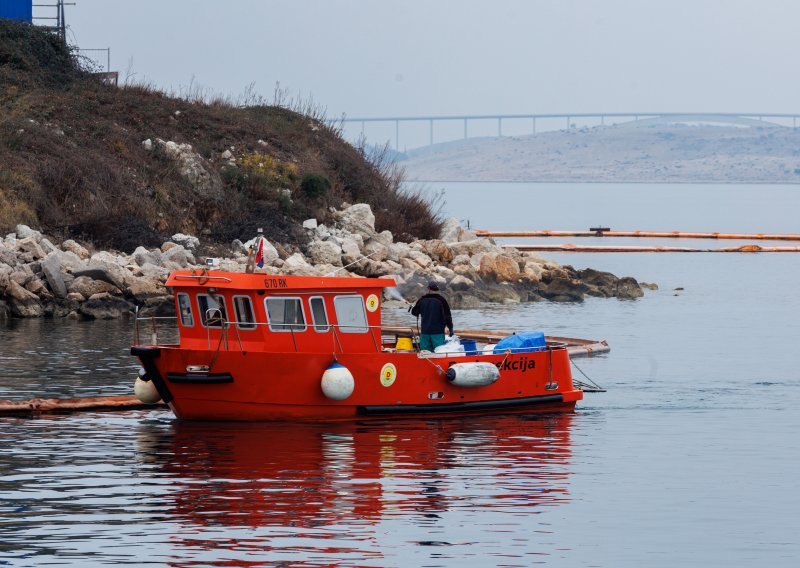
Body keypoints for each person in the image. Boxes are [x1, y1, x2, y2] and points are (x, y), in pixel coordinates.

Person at [411, 281, 454, 352]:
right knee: (439, 353)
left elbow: (414, 312)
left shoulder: (422, 300)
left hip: (425, 333)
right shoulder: (441, 300)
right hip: (437, 333)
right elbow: (447, 316)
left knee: (425, 354)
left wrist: (416, 307)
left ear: (428, 288)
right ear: (438, 290)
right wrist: (451, 329)